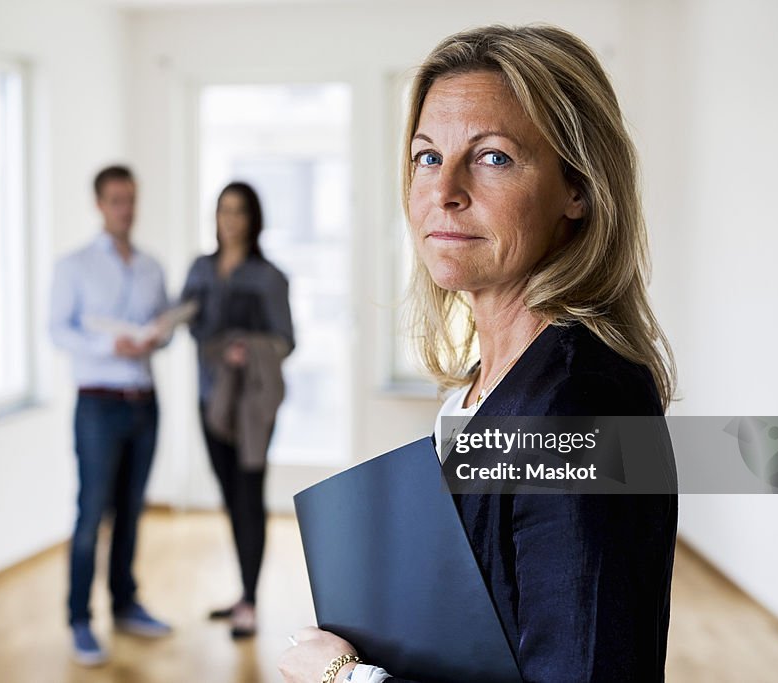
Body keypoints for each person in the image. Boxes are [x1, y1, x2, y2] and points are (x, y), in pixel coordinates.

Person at [279, 24, 678, 683]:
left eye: (492, 157)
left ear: (577, 188)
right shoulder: (488, 382)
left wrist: (345, 676)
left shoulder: (584, 407)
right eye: (427, 157)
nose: (444, 189)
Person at [50, 165, 174, 667]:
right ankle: (80, 619)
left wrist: (156, 335)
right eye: (116, 200)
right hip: (98, 404)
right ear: (100, 204)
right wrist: (109, 344)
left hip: (144, 403)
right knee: (91, 513)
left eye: (131, 199)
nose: (126, 209)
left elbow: (163, 327)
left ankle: (125, 604)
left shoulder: (151, 266)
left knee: (131, 509)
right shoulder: (73, 266)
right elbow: (57, 330)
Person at [181, 181, 294, 639]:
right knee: (230, 499)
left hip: (252, 407)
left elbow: (286, 339)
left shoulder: (268, 277)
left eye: (239, 211)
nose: (230, 219)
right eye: (223, 210)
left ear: (253, 219)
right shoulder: (200, 270)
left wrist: (247, 347)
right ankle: (243, 595)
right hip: (210, 401)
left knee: (249, 498)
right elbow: (186, 319)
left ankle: (250, 601)